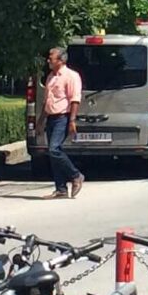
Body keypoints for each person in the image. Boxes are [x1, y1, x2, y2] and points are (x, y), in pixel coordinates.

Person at [41, 45, 84, 199]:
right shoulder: (50, 77)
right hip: (51, 117)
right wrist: (40, 121)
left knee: (54, 149)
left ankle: (76, 175)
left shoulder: (71, 76)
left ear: (60, 60)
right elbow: (47, 101)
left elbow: (75, 99)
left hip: (63, 117)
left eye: (51, 58)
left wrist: (72, 120)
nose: (48, 61)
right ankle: (61, 189)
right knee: (53, 153)